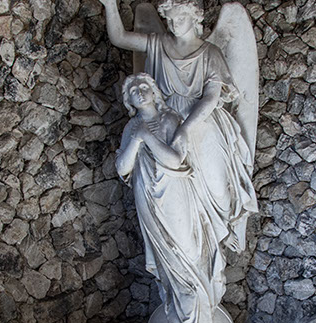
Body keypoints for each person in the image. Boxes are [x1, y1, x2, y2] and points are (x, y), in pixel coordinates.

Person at [100, 0, 258, 255]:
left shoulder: (210, 53)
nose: (174, 25)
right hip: (165, 122)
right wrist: (110, 6)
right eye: (170, 20)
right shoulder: (158, 44)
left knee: (217, 185)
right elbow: (119, 38)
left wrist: (186, 128)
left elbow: (211, 97)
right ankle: (188, 253)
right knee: (172, 193)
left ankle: (223, 230)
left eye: (180, 19)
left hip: (202, 121)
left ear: (195, 18)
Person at [116, 72, 226, 323]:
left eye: (144, 86)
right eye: (133, 90)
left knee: (186, 248)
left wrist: (147, 136)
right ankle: (178, 309)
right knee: (164, 252)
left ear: (154, 91)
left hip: (175, 190)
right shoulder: (131, 128)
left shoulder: (169, 119)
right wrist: (137, 138)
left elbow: (176, 159)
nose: (139, 91)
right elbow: (122, 167)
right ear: (129, 101)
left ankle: (198, 309)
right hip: (146, 194)